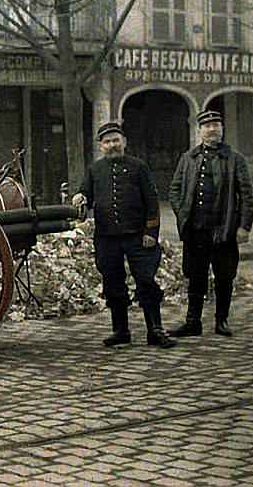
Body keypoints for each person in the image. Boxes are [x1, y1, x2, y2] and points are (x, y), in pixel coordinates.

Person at [73, 121, 176, 349]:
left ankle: (155, 330)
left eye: (116, 140)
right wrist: (79, 197)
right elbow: (85, 194)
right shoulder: (94, 170)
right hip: (107, 237)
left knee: (146, 280)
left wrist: (151, 231)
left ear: (124, 142)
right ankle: (121, 331)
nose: (112, 145)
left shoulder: (139, 167)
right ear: (101, 146)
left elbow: (152, 201)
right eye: (107, 142)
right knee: (112, 282)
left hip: (138, 236)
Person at [168, 109, 253, 338]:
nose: (212, 129)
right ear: (200, 131)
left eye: (216, 125)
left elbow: (247, 196)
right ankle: (192, 323)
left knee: (224, 277)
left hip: (224, 230)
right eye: (207, 126)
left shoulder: (235, 159)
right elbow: (174, 190)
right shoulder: (188, 158)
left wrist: (244, 226)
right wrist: (182, 213)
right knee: (195, 276)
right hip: (196, 231)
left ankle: (221, 321)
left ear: (222, 129)